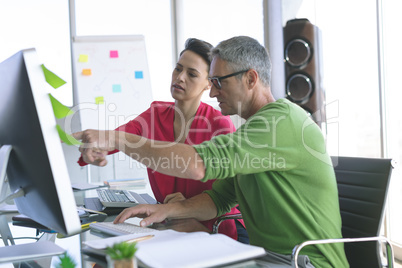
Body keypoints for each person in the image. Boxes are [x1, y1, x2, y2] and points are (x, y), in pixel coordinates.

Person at [74, 36, 349, 267]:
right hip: (267, 258)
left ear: (250, 79)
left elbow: (196, 165)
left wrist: (118, 139)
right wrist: (165, 210)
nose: (213, 92)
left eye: (219, 82)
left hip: (304, 262)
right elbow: (219, 198)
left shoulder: (280, 122)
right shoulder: (255, 130)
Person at [77, 38, 246, 242]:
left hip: (213, 227)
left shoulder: (221, 125)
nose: (180, 77)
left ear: (208, 84)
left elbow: (225, 194)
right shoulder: (155, 113)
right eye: (178, 69)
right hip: (166, 223)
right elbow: (118, 138)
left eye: (191, 74)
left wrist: (186, 212)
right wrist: (95, 148)